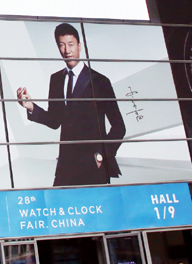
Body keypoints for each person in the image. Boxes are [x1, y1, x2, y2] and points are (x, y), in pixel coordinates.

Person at [16, 23, 126, 186]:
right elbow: (54, 121)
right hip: (66, 165)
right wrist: (31, 106)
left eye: (71, 44)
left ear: (79, 46)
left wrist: (101, 156)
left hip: (94, 166)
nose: (67, 50)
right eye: (62, 45)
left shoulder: (99, 81)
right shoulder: (56, 79)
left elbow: (119, 127)